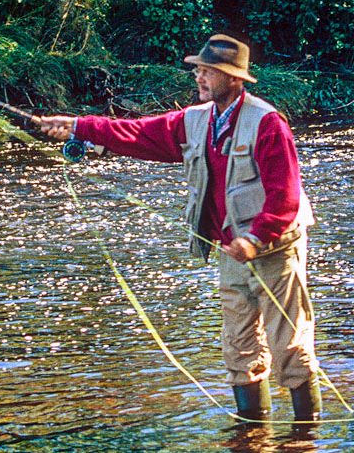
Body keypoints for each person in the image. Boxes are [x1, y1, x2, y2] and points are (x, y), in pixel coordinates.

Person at [35, 33, 322, 424]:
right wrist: (78, 127)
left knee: (288, 345)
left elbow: (285, 197)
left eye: (208, 71)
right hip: (231, 250)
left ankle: (307, 433)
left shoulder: (267, 123)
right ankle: (252, 434)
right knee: (238, 348)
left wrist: (255, 240)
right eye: (199, 70)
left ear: (235, 79)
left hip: (274, 251)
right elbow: (136, 134)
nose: (199, 78)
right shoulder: (194, 120)